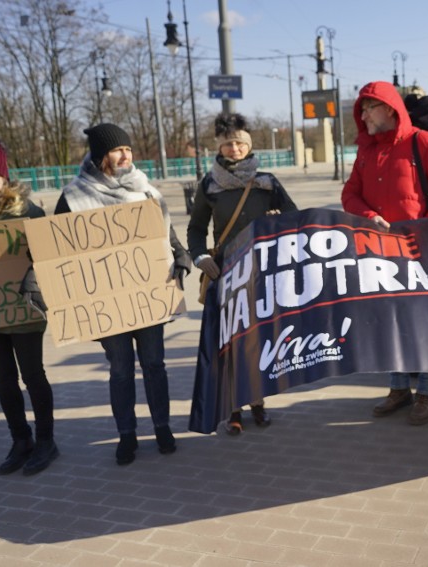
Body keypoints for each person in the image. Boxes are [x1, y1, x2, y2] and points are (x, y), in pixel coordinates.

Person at [54, 123, 192, 465]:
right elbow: (57, 250)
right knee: (120, 370)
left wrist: (180, 253)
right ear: (102, 156)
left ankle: (162, 427)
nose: (125, 155)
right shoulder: (74, 196)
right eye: (117, 150)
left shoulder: (144, 189)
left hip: (148, 295)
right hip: (108, 303)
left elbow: (165, 231)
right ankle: (127, 434)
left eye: (128, 150)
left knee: (155, 365)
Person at [341, 81, 428, 425]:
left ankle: (427, 392)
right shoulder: (365, 152)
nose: (363, 116)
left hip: (422, 252)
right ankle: (398, 388)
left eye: (369, 108)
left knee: (424, 323)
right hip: (379, 253)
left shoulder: (422, 142)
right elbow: (350, 195)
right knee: (390, 323)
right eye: (361, 110)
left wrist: (426, 227)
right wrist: (368, 216)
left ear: (389, 109)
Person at [187, 113, 297, 434]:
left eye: (239, 142)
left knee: (258, 339)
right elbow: (196, 229)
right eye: (228, 143)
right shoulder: (209, 185)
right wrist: (200, 256)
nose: (234, 148)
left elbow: (294, 217)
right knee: (230, 342)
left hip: (262, 270)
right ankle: (233, 406)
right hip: (226, 270)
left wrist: (279, 221)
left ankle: (258, 400)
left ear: (248, 144)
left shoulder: (267, 181)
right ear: (219, 147)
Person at [0, 140, 59, 476]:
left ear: (3, 179)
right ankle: (20, 440)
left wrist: (35, 275)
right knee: (3, 380)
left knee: (32, 375)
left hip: (22, 311)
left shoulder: (27, 212)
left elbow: (50, 255)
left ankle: (46, 442)